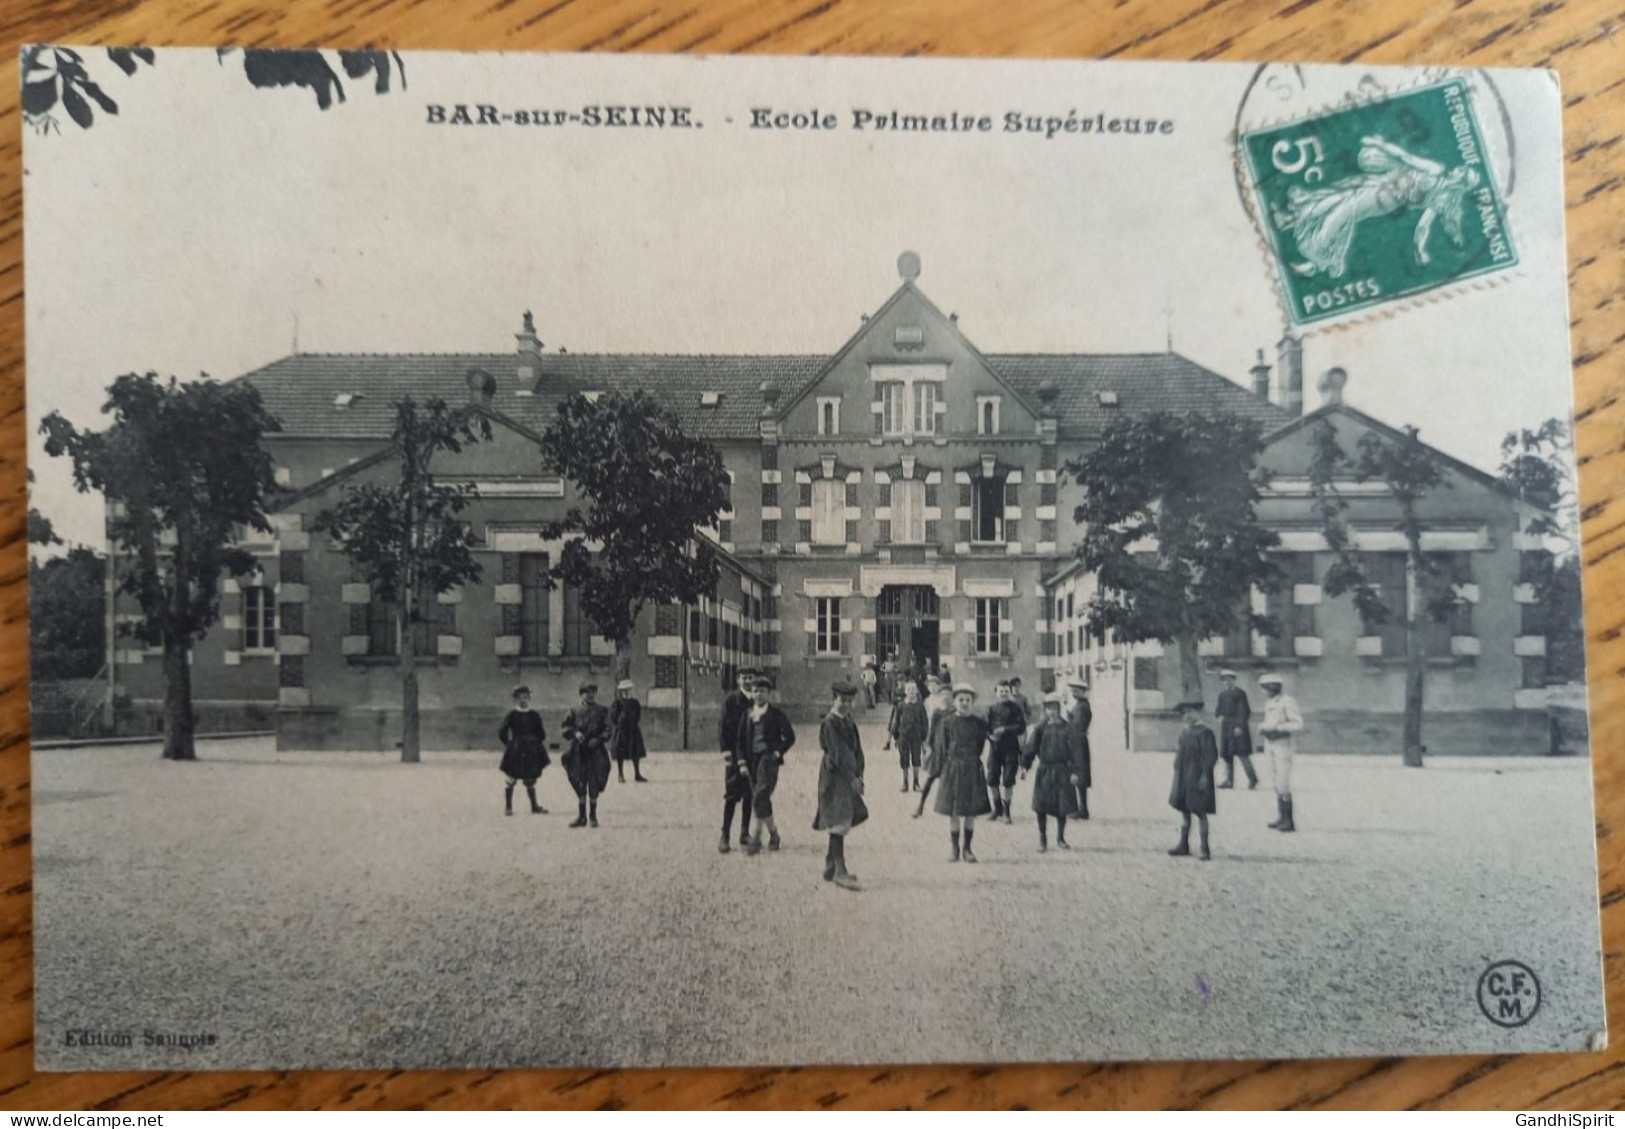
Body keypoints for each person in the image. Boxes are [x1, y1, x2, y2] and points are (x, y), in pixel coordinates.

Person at [813, 681, 866, 890]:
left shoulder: (849, 722)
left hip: (849, 776)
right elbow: (836, 754)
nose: (845, 704)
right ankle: (840, 871)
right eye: (842, 700)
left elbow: (857, 751)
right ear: (834, 699)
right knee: (839, 821)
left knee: (842, 817)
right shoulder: (830, 723)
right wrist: (851, 778)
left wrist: (860, 774)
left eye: (849, 701)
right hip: (835, 778)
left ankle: (830, 865)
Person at [934, 683, 993, 861]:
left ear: (972, 702)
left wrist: (972, 759)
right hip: (953, 769)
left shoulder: (979, 723)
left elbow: (981, 745)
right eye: (961, 700)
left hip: (972, 768)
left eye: (968, 700)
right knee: (953, 811)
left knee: (970, 811)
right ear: (954, 701)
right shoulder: (947, 722)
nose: (964, 703)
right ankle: (954, 849)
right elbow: (942, 747)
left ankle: (967, 849)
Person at [740, 674, 796, 856]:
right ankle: (774, 834)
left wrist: (777, 752)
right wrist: (741, 761)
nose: (759, 695)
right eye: (755, 691)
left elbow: (789, 736)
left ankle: (756, 837)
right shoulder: (747, 714)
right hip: (751, 761)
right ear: (752, 693)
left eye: (763, 691)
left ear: (769, 694)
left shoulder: (776, 714)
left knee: (759, 796)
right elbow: (740, 740)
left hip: (768, 761)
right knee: (762, 799)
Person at [1019, 692, 1079, 852]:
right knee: (1041, 806)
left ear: (1060, 709)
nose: (1051, 711)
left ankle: (1060, 837)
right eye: (1048, 708)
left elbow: (1075, 752)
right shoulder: (1040, 728)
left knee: (1062, 806)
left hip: (1063, 771)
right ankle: (1042, 839)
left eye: (1054, 708)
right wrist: (1024, 766)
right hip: (1044, 770)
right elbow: (1031, 747)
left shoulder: (1068, 728)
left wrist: (1075, 772)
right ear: (1044, 710)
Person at [1168, 698, 1219, 860]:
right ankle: (1183, 844)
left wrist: (1204, 775)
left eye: (1190, 712)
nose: (1187, 716)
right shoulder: (1185, 732)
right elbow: (1180, 752)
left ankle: (1205, 847)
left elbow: (1211, 756)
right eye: (1183, 713)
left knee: (1200, 811)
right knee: (1184, 809)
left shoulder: (1205, 733)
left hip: (1198, 776)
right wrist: (1176, 766)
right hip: (1183, 776)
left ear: (1198, 712)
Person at [1258, 672, 1304, 832]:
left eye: (1266, 688)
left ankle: (1289, 820)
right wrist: (1263, 727)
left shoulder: (1287, 701)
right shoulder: (1269, 703)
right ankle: (1281, 816)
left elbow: (1297, 724)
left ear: (1273, 687)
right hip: (1270, 743)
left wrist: (1278, 728)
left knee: (1283, 781)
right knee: (1275, 780)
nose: (1264, 691)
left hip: (1283, 745)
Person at [561, 682, 611, 828]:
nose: (590, 695)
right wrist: (575, 733)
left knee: (594, 781)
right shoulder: (573, 710)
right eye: (587, 692)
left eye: (593, 692)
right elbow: (565, 727)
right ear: (581, 694)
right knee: (579, 781)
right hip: (579, 752)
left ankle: (593, 816)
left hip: (596, 752)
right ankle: (582, 817)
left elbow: (608, 728)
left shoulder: (602, 710)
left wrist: (599, 738)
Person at [718, 668, 757, 854]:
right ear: (738, 680)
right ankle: (725, 834)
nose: (747, 681)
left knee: (749, 794)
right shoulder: (731, 701)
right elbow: (723, 726)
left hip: (751, 755)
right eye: (744, 678)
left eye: (750, 678)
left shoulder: (756, 700)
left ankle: (744, 832)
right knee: (732, 795)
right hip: (734, 754)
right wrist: (725, 750)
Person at [497, 685, 549, 816]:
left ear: (530, 698)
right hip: (516, 749)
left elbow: (541, 733)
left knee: (530, 778)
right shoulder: (512, 715)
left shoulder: (534, 715)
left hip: (531, 750)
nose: (523, 700)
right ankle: (508, 807)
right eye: (519, 698)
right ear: (515, 700)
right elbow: (502, 731)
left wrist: (535, 744)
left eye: (525, 697)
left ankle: (534, 806)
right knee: (511, 777)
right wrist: (509, 744)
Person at [913, 674, 955, 817]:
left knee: (953, 780)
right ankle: (920, 806)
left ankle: (953, 808)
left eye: (949, 695)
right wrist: (928, 746)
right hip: (939, 749)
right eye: (943, 695)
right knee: (930, 778)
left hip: (953, 751)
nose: (946, 698)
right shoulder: (937, 713)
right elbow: (932, 731)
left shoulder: (955, 712)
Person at [985, 680, 1026, 822]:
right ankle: (997, 808)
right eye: (1000, 691)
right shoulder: (991, 709)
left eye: (1006, 691)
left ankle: (1007, 812)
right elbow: (986, 727)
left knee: (1008, 779)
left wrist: (1005, 730)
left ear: (1009, 693)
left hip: (1011, 747)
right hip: (995, 748)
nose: (1003, 693)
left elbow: (1021, 727)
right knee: (991, 779)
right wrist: (990, 736)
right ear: (996, 693)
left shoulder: (1016, 708)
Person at [1214, 669, 1257, 790]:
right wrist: (1219, 716)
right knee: (1227, 755)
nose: (1227, 682)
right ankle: (1228, 781)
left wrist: (1239, 726)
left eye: (1229, 679)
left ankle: (1252, 778)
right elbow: (1218, 710)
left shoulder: (1240, 694)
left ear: (1234, 679)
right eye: (1224, 680)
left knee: (1243, 754)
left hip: (1238, 727)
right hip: (1226, 727)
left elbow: (1244, 711)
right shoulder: (1222, 695)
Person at [886, 680, 929, 792]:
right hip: (904, 736)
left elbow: (925, 722)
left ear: (917, 691)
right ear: (905, 691)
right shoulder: (900, 706)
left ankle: (916, 782)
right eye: (909, 689)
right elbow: (896, 722)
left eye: (913, 689)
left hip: (917, 737)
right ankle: (905, 782)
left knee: (916, 759)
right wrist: (896, 737)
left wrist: (924, 739)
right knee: (904, 759)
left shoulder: (920, 706)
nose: (911, 691)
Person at [609, 678, 649, 784]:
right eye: (624, 690)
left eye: (628, 689)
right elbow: (613, 716)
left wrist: (632, 722)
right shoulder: (617, 703)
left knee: (635, 752)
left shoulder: (635, 702)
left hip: (633, 730)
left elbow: (638, 715)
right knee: (620, 752)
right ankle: (620, 774)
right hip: (622, 731)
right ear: (621, 691)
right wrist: (620, 724)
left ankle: (637, 774)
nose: (627, 692)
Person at [1066, 674, 1093, 819]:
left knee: (1079, 774)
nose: (1073, 693)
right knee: (1079, 774)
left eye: (1076, 691)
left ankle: (1082, 810)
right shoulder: (1080, 705)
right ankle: (1081, 808)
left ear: (1083, 691)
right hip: (1079, 742)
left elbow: (1077, 727)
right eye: (1072, 691)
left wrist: (1069, 722)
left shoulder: (1082, 707)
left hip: (1078, 744)